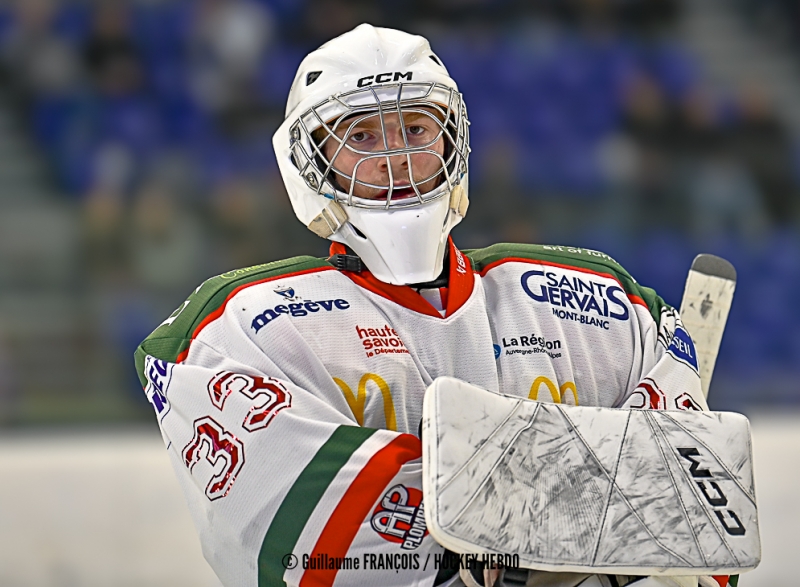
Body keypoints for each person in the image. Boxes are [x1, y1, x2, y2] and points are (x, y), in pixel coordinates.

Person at [135, 25, 730, 587]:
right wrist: (589, 525)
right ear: (309, 162)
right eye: (361, 136)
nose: (395, 158)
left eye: (415, 129)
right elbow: (292, 541)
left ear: (452, 140)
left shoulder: (601, 302)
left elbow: (702, 508)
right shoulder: (239, 324)